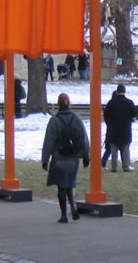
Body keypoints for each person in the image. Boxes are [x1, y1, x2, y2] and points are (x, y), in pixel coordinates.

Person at [42, 93, 90, 223]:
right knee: (70, 182)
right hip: (73, 157)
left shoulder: (54, 121)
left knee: (61, 186)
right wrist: (86, 156)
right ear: (69, 104)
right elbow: (84, 140)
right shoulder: (77, 119)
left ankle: (64, 214)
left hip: (59, 157)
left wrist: (45, 159)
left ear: (58, 105)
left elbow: (48, 141)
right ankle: (73, 206)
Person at [103, 83, 136, 172]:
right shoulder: (129, 102)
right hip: (125, 130)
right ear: (125, 91)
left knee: (114, 150)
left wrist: (108, 124)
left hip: (113, 130)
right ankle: (126, 166)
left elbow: (106, 115)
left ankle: (114, 167)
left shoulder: (111, 102)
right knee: (125, 149)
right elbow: (134, 114)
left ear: (117, 91)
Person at [101, 90, 117, 168]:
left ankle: (103, 163)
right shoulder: (117, 105)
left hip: (110, 129)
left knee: (108, 148)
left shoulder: (109, 104)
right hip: (116, 130)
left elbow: (106, 116)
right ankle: (102, 163)